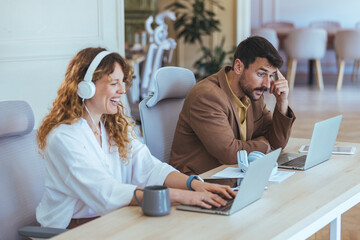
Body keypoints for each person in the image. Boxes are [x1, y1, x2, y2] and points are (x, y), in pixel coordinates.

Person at [35, 47, 235, 229]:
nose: (122, 90)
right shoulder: (64, 137)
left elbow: (150, 168)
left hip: (113, 218)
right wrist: (183, 197)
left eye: (123, 82)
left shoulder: (112, 126)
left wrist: (195, 184)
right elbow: (106, 192)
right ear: (86, 87)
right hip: (73, 229)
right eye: (114, 83)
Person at [170, 36, 296, 175]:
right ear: (238, 67)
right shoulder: (207, 96)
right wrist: (264, 145)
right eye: (261, 74)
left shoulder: (253, 93)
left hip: (233, 173)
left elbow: (277, 144)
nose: (267, 84)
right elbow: (229, 153)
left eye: (271, 75)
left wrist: (282, 102)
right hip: (201, 180)